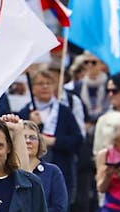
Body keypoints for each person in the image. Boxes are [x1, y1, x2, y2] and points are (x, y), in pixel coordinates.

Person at [19, 68, 83, 199]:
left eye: (49, 83)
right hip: (30, 171)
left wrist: (54, 141)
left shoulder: (64, 111)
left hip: (60, 168)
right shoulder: (25, 113)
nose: (45, 87)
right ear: (33, 88)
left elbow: (77, 140)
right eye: (40, 83)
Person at [22, 120, 70, 212]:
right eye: (23, 137)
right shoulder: (9, 172)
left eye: (32, 137)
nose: (28, 141)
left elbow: (59, 207)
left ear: (39, 142)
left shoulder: (53, 171)